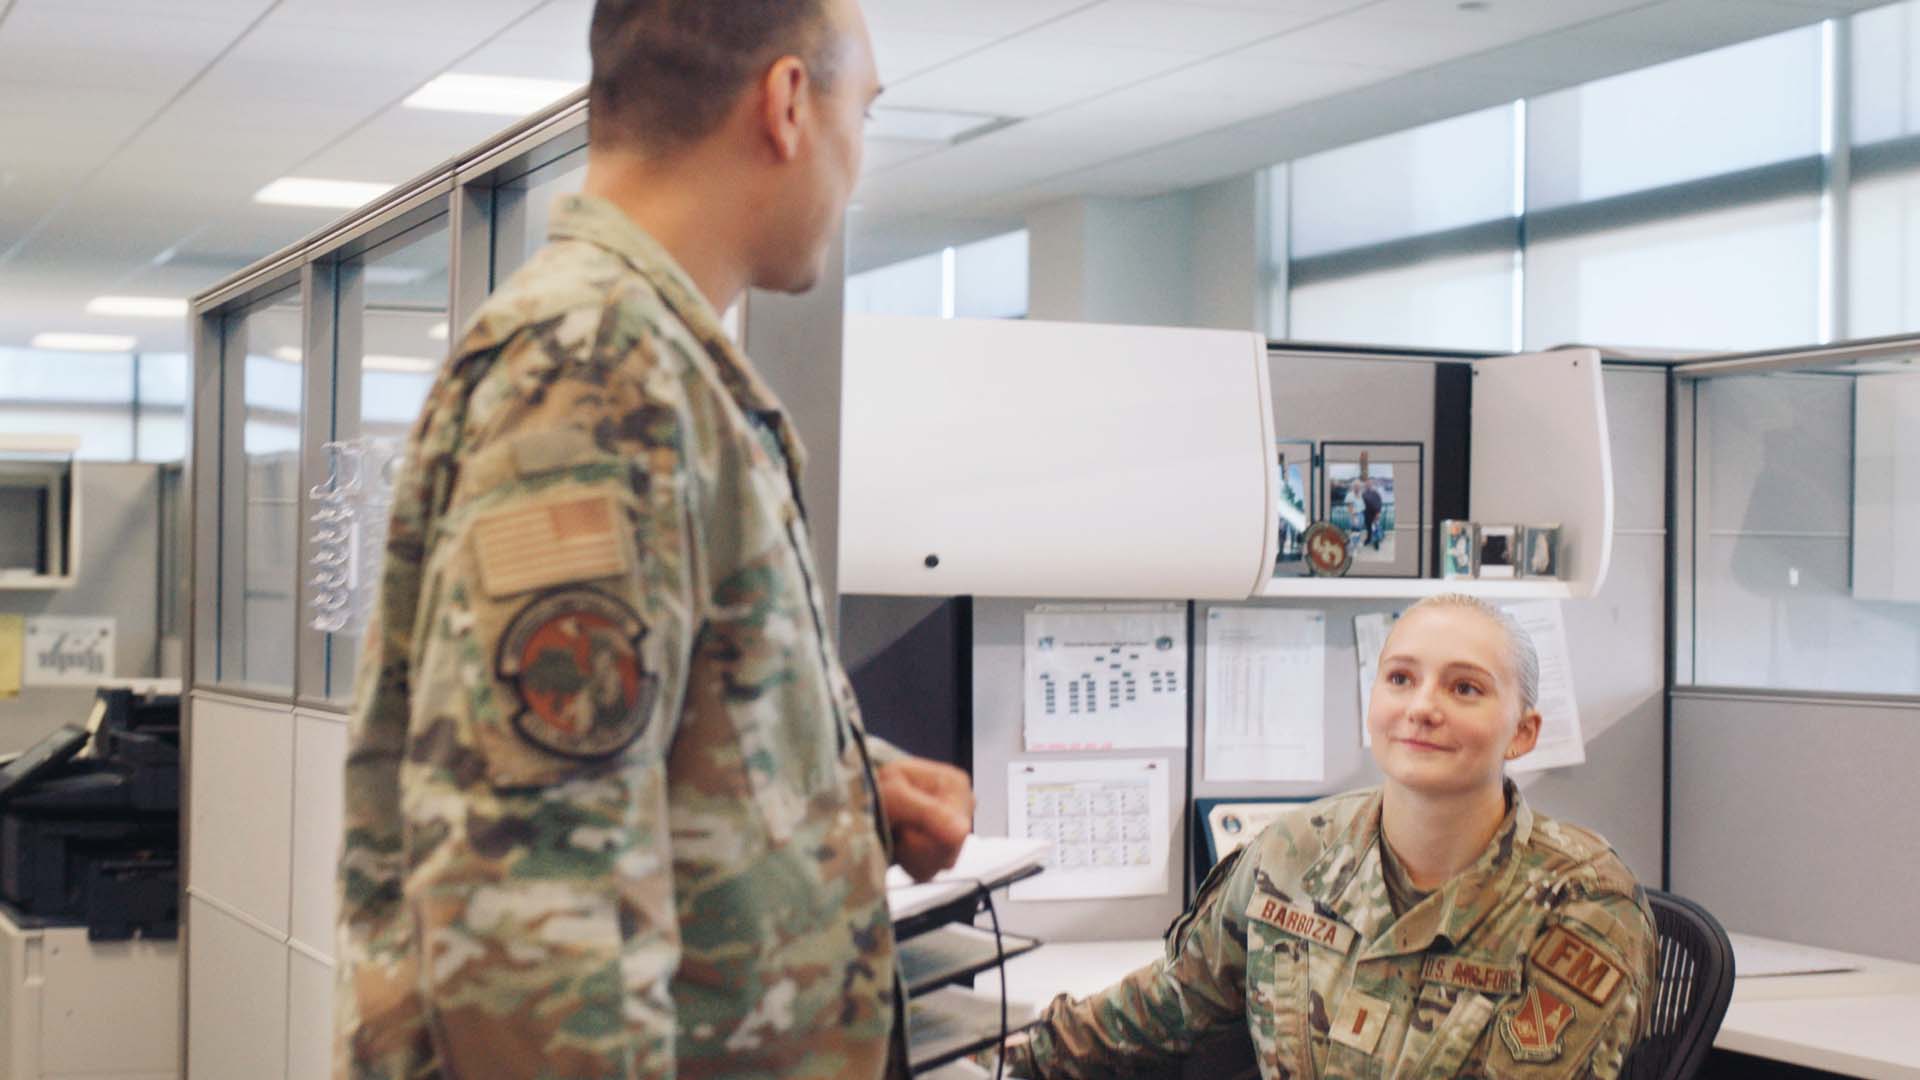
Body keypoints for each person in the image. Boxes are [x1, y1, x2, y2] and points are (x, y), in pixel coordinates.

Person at [331, 1, 974, 1076]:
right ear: (785, 105)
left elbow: (623, 745)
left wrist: (846, 787)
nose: (857, 162)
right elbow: (534, 913)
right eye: (861, 111)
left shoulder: (646, 365)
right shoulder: (595, 377)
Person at [997, 594, 1657, 1078]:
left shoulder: (1583, 904)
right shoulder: (1295, 852)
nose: (1422, 706)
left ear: (1523, 732)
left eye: (1464, 687)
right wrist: (1003, 1059)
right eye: (1400, 677)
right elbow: (1172, 1002)